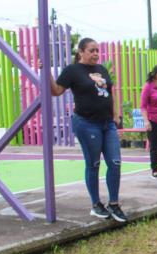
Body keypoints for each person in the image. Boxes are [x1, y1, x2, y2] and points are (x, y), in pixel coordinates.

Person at [49, 37, 126, 222]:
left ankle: (113, 204)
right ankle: (96, 205)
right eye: (91, 50)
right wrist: (46, 73)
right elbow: (56, 91)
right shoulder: (72, 70)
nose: (96, 54)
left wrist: (116, 116)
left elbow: (110, 93)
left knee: (115, 163)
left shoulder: (101, 69)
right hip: (86, 123)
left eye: (97, 50)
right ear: (81, 52)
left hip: (107, 124)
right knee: (93, 164)